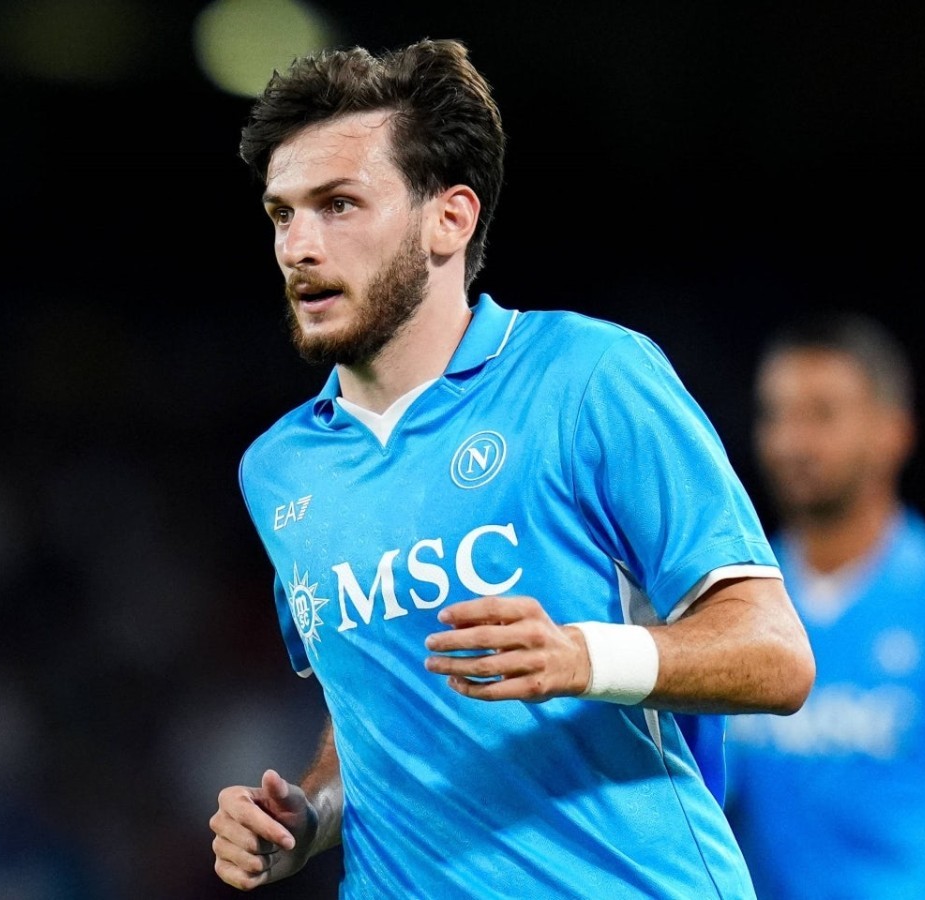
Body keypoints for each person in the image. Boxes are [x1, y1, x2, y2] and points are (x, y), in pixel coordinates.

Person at [209, 37, 815, 897]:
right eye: (282, 213)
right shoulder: (279, 470)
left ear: (449, 218)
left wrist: (580, 656)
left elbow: (778, 655)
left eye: (339, 205)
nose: (298, 246)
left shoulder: (590, 377)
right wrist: (311, 813)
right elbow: (369, 711)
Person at [723, 311, 925, 899]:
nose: (791, 442)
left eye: (821, 415)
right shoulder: (728, 604)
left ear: (893, 432)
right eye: (775, 415)